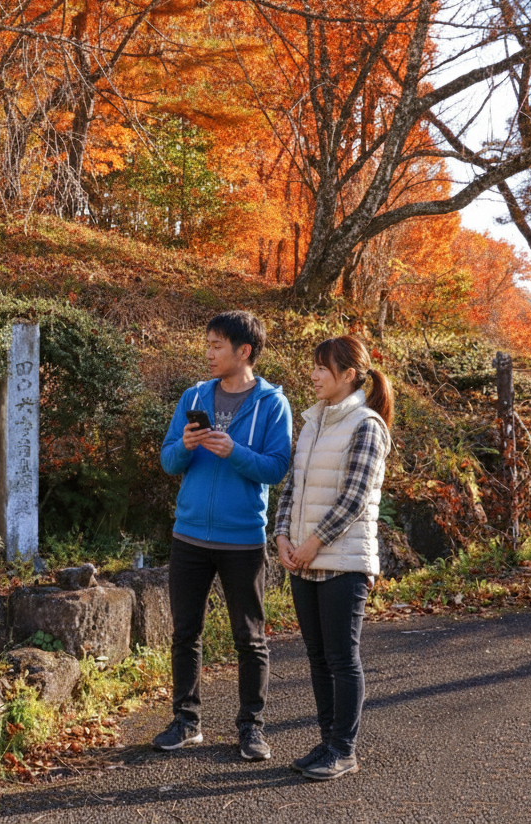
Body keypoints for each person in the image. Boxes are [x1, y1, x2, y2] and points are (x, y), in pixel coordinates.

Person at [155, 311, 293, 761]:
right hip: (189, 534)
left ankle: (251, 727)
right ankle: (186, 721)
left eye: (217, 345)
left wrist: (234, 451)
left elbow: (276, 468)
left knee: (249, 637)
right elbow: (168, 461)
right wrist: (186, 446)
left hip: (242, 538)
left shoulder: (273, 404)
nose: (209, 353)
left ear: (244, 351)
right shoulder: (194, 396)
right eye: (208, 344)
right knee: (185, 633)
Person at [275, 334, 393, 782]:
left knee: (342, 659)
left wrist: (313, 543)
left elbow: (355, 498)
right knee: (318, 656)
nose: (313, 375)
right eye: (315, 366)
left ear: (348, 374)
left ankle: (344, 750)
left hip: (344, 561)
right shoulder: (313, 421)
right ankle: (327, 742)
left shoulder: (367, 425)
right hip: (303, 559)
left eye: (322, 368)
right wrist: (282, 536)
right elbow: (292, 487)